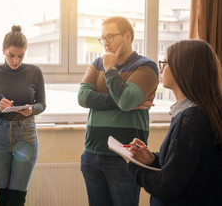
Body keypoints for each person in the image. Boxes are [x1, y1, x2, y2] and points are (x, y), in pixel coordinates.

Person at [126, 39, 222, 206]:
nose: (161, 69)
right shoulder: (204, 111)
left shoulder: (190, 120)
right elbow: (183, 167)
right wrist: (152, 159)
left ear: (183, 69)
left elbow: (167, 187)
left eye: (165, 63)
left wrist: (133, 167)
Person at [78, 16, 159, 206]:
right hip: (91, 153)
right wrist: (122, 100)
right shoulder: (97, 63)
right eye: (102, 38)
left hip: (126, 157)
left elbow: (126, 100)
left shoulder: (146, 66)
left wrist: (110, 69)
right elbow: (83, 97)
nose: (105, 43)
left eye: (110, 37)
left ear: (127, 36)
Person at [0, 25, 46, 206]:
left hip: (26, 134)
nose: (16, 61)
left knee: (17, 199)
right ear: (3, 50)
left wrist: (32, 109)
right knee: (2, 197)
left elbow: (42, 104)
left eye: (20, 56)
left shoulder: (34, 72)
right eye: (11, 55)